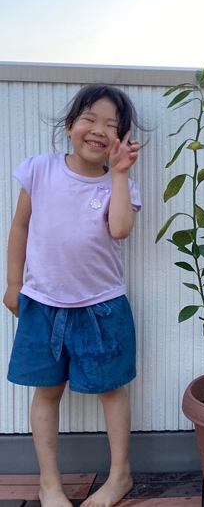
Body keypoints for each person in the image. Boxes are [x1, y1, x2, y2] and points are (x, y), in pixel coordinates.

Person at [3, 85, 143, 507]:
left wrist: (119, 175)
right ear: (69, 127)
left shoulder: (121, 186)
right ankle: (49, 483)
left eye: (112, 126)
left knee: (112, 389)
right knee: (46, 391)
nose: (99, 130)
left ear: (121, 140)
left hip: (102, 304)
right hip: (42, 303)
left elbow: (119, 229)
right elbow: (20, 227)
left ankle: (120, 476)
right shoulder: (40, 170)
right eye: (89, 119)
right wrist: (13, 283)